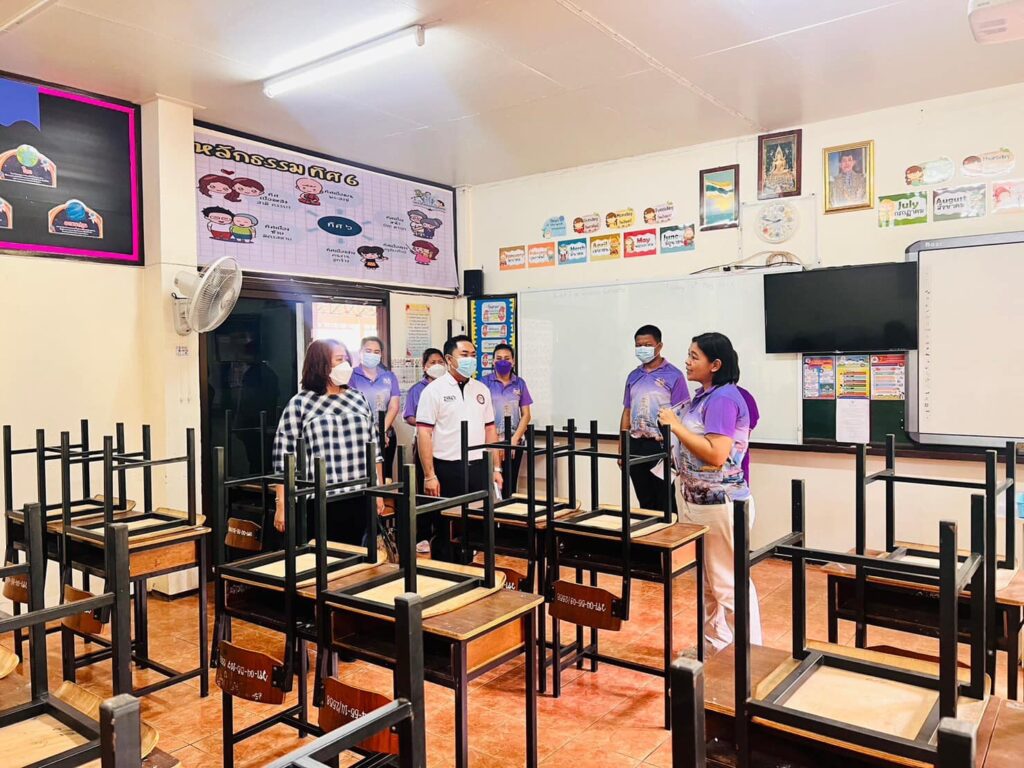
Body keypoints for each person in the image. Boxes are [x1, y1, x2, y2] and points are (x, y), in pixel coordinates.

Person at [657, 332, 762, 653]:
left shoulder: (723, 399)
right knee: (709, 582)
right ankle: (716, 646)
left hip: (721, 504)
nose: (687, 362)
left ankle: (748, 657)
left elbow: (717, 454)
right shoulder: (703, 397)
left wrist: (676, 426)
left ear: (715, 364)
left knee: (727, 583)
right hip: (697, 502)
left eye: (694, 356)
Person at [271, 339, 383, 547]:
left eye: (346, 359)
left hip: (359, 493)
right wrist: (281, 504)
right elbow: (283, 458)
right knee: (323, 556)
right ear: (321, 364)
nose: (345, 365)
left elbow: (374, 450)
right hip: (320, 497)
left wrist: (379, 492)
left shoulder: (358, 399)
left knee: (358, 555)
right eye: (339, 360)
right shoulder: (301, 403)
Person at [416, 335, 501, 562]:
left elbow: (490, 430)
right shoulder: (433, 391)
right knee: (446, 528)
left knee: (477, 526)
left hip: (478, 467)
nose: (470, 360)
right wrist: (429, 475)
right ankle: (446, 574)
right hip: (447, 468)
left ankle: (474, 572)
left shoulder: (481, 389)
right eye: (464, 355)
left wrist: (496, 468)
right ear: (449, 359)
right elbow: (424, 433)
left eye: (473, 355)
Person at [620, 324, 689, 511]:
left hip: (661, 445)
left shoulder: (674, 375)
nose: (642, 349)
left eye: (647, 345)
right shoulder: (633, 376)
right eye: (638, 345)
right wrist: (622, 447)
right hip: (636, 444)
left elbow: (682, 414)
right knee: (644, 500)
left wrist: (677, 453)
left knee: (665, 500)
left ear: (659, 346)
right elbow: (627, 411)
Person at [404, 348, 445, 553]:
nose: (437, 365)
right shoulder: (417, 390)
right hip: (423, 444)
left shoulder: (449, 386)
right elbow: (409, 416)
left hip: (445, 447)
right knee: (424, 490)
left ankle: (442, 534)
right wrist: (427, 424)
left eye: (440, 362)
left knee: (443, 491)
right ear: (424, 366)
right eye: (432, 362)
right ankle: (423, 535)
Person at [481, 344, 533, 498]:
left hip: (514, 442)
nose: (502, 361)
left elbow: (526, 415)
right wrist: (496, 442)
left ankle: (508, 512)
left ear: (513, 361)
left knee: (510, 484)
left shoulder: (520, 383)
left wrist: (514, 440)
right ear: (493, 361)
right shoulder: (484, 382)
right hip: (491, 441)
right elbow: (480, 414)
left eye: (507, 358)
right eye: (498, 358)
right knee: (491, 484)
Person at [350, 336, 401, 478]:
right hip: (360, 434)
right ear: (360, 352)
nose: (372, 354)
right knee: (365, 476)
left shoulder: (389, 376)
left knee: (385, 476)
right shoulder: (351, 375)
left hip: (386, 435)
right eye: (368, 351)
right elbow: (350, 406)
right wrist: (373, 432)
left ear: (381, 355)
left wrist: (381, 431)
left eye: (376, 352)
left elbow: (394, 406)